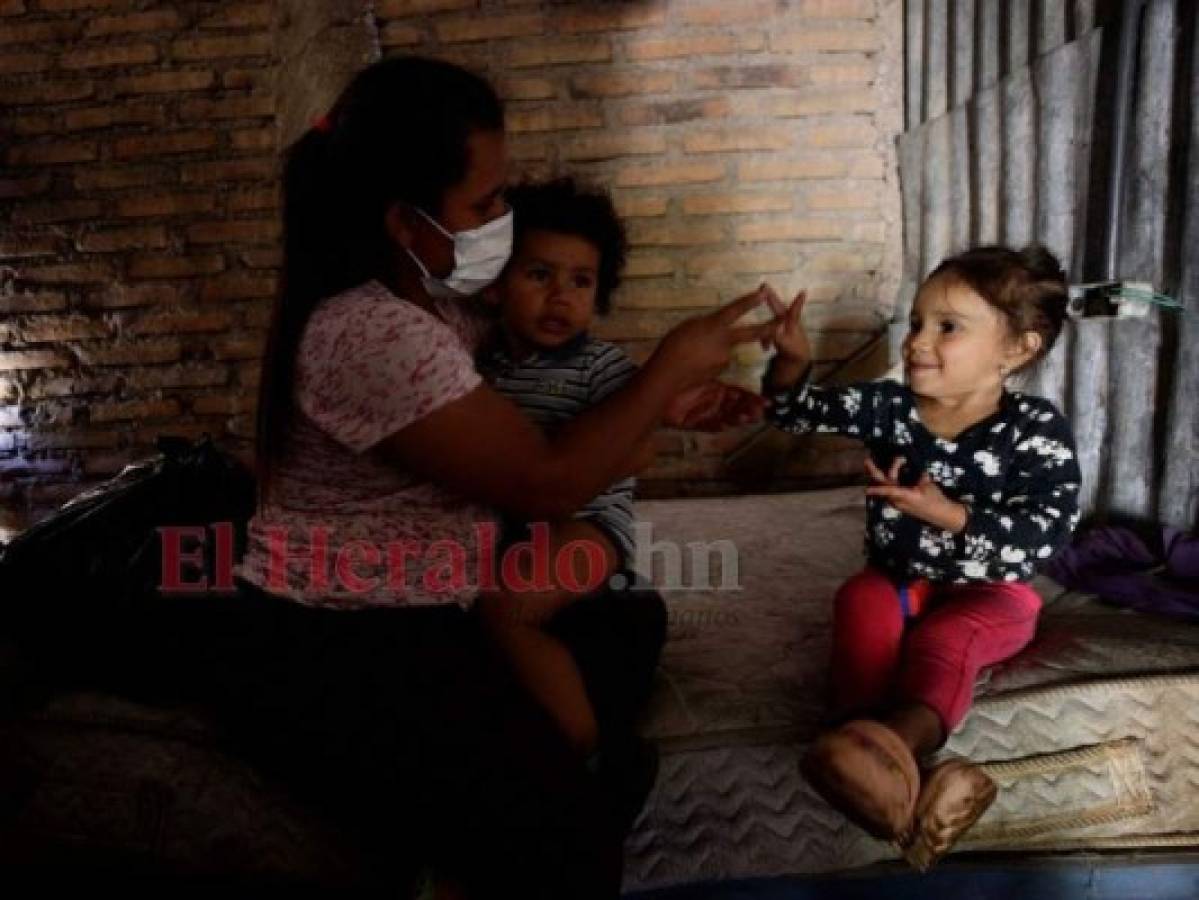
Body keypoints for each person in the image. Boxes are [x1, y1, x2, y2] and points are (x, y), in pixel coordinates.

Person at [196, 56, 776, 899]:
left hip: (441, 584)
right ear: (403, 220)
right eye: (485, 202)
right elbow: (545, 483)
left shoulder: (440, 304)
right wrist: (665, 370)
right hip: (343, 637)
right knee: (566, 845)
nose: (505, 218)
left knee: (627, 616)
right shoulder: (371, 334)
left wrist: (659, 408)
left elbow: (554, 414)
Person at [761, 246, 1081, 870]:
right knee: (860, 598)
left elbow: (1048, 533)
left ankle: (898, 748)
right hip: (902, 579)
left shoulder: (1036, 429)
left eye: (948, 327)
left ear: (1016, 350)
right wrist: (792, 363)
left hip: (993, 595)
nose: (916, 342)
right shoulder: (891, 407)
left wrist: (953, 516)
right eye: (916, 323)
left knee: (947, 639)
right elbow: (796, 414)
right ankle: (863, 756)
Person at [473, 176, 651, 760]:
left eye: (581, 281)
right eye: (539, 275)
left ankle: (584, 749)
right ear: (497, 283)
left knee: (507, 607)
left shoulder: (601, 368)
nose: (561, 297)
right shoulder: (477, 364)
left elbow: (639, 449)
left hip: (588, 526)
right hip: (507, 524)